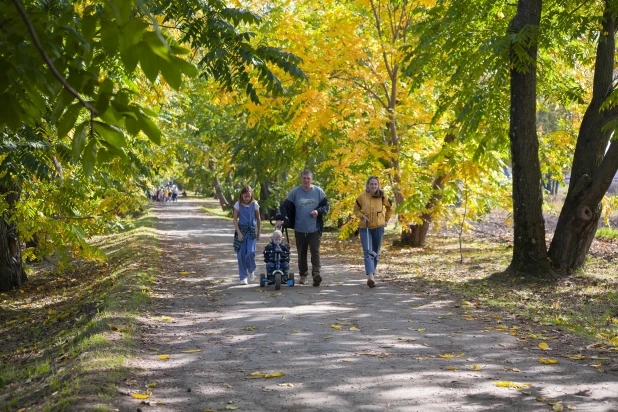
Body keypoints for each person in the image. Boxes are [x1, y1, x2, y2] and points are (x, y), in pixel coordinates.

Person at [276, 169, 329, 286]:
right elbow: (284, 206)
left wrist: (318, 211)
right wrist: (279, 218)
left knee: (315, 252)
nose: (306, 180)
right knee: (301, 253)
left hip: (315, 228)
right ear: (301, 179)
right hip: (300, 228)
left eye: (308, 178)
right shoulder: (295, 192)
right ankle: (303, 275)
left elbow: (326, 205)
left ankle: (316, 274)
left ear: (312, 179)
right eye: (304, 178)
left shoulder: (318, 191)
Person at [353, 175, 393, 288]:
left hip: (378, 227)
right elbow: (356, 210)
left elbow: (390, 208)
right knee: (368, 251)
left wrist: (386, 220)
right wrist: (362, 216)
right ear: (368, 185)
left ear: (378, 185)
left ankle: (372, 274)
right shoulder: (362, 197)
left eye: (375, 184)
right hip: (365, 227)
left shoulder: (382, 195)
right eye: (371, 184)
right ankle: (370, 276)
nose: (374, 186)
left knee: (375, 252)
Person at [233, 186, 261, 284]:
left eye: (248, 196)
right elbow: (235, 220)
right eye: (245, 196)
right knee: (241, 254)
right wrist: (239, 234)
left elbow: (258, 219)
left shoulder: (255, 204)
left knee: (250, 252)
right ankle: (243, 277)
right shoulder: (238, 205)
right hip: (241, 231)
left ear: (251, 195)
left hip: (251, 231)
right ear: (242, 195)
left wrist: (259, 233)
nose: (247, 199)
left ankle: (251, 269)